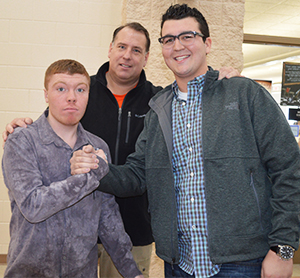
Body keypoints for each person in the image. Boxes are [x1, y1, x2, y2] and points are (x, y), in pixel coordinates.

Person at [69, 4, 300, 278]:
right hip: (179, 264)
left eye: (187, 36)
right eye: (169, 39)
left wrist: (283, 248)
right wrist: (96, 167)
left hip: (242, 262)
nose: (177, 46)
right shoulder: (159, 109)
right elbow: (137, 174)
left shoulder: (244, 95)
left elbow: (289, 169)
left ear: (208, 43)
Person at [1, 22, 239, 278]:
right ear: (110, 49)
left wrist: (222, 85)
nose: (127, 55)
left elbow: (192, 97)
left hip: (131, 231)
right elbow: (56, 121)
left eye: (136, 50)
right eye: (122, 47)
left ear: (147, 57)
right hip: (40, 261)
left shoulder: (159, 102)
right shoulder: (76, 97)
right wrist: (25, 127)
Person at [2, 59, 143, 278]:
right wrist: (89, 176)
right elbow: (33, 206)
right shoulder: (22, 141)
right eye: (60, 88)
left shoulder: (97, 147)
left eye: (80, 89)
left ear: (88, 95)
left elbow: (108, 219)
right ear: (46, 94)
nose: (71, 97)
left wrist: (133, 273)